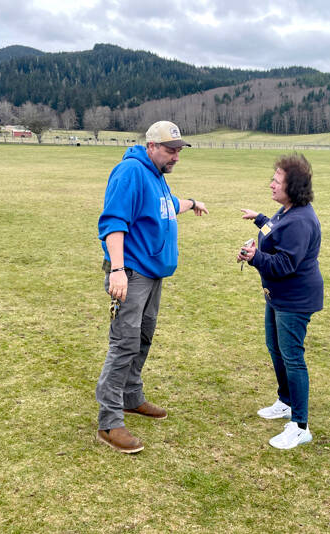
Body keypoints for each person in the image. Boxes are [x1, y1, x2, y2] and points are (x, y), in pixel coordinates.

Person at [96, 120, 208, 453]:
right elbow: (113, 222)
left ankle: (131, 397)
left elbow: (167, 205)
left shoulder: (156, 177)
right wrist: (117, 270)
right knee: (124, 343)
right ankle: (109, 422)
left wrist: (190, 202)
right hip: (131, 274)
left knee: (142, 337)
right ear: (151, 146)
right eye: (171, 150)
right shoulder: (131, 172)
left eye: (178, 150)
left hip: (153, 275)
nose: (176, 156)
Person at [238, 153, 323, 450]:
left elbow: (285, 264)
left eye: (277, 181)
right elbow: (274, 231)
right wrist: (260, 219)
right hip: (277, 297)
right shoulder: (287, 211)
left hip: (294, 300)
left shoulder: (300, 220)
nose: (271, 185)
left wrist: (253, 257)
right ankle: (286, 401)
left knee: (293, 358)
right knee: (275, 348)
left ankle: (300, 426)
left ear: (294, 187)